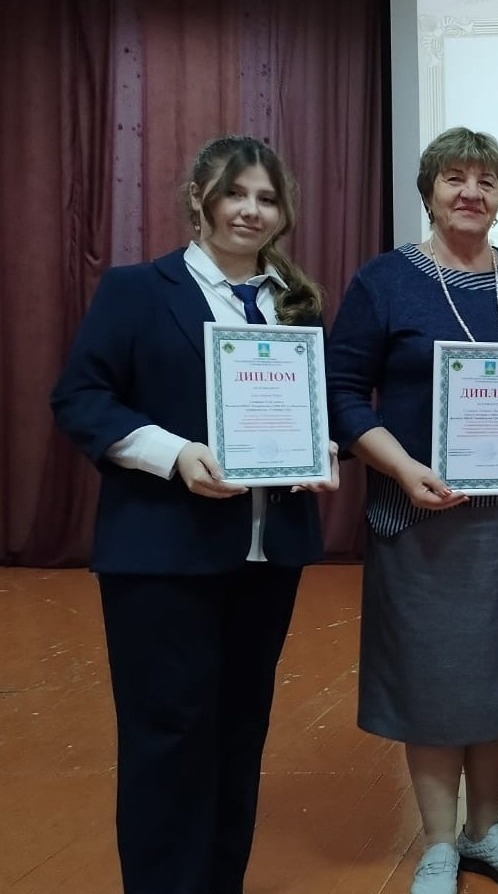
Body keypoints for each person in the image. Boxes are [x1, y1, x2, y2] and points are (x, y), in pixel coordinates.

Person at [49, 135, 335, 894]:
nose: (250, 210)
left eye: (266, 198)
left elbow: (312, 410)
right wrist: (173, 454)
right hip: (161, 553)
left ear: (283, 212)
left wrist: (320, 452)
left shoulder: (296, 302)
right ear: (199, 200)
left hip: (268, 554)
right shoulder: (137, 290)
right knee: (167, 740)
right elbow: (81, 398)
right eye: (235, 193)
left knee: (240, 735)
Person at [325, 127, 498, 894]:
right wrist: (402, 468)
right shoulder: (384, 280)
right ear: (429, 192)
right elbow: (341, 393)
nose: (471, 192)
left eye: (486, 181)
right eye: (455, 178)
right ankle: (437, 842)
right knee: (431, 677)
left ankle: (484, 829)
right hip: (418, 512)